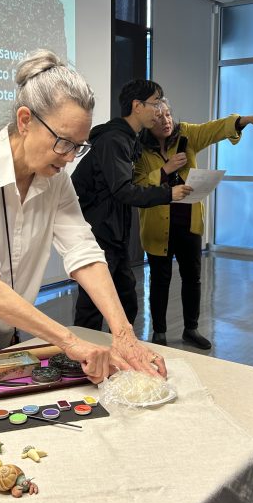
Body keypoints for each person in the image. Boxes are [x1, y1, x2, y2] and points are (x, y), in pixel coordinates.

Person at [0, 50, 166, 382]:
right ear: (25, 121)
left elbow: (83, 252)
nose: (69, 158)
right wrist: (70, 341)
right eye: (63, 142)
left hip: (3, 320)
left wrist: (123, 332)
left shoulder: (55, 180)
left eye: (79, 146)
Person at [134, 100, 253, 348]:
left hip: (188, 223)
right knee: (159, 279)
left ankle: (191, 329)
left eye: (168, 114)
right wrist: (166, 169)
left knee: (192, 278)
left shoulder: (186, 133)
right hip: (157, 226)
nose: (166, 121)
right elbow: (139, 184)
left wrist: (247, 120)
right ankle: (159, 333)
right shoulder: (140, 150)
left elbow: (216, 128)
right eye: (158, 117)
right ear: (147, 122)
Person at [71, 80, 192, 331]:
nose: (160, 110)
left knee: (126, 297)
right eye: (155, 103)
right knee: (93, 304)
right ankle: (84, 359)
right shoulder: (115, 139)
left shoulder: (128, 137)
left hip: (113, 232)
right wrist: (168, 193)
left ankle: (122, 350)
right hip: (100, 232)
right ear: (137, 106)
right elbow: (124, 190)